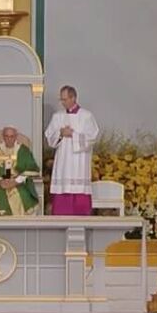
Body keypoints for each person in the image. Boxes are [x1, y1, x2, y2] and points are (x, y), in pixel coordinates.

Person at [45, 85, 100, 216]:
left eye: (65, 99)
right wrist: (60, 133)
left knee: (79, 196)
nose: (63, 102)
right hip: (63, 161)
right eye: (61, 100)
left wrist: (73, 135)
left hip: (79, 161)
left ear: (73, 98)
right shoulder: (57, 116)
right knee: (62, 193)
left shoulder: (86, 116)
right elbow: (49, 136)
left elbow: (92, 136)